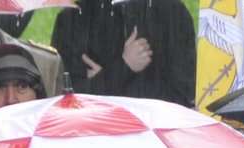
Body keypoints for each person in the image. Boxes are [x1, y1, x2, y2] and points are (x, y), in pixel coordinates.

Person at [50, 0, 196, 105]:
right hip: (93, 134)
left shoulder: (172, 12)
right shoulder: (70, 20)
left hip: (155, 132)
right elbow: (64, 98)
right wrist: (123, 68)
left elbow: (182, 94)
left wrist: (105, 80)